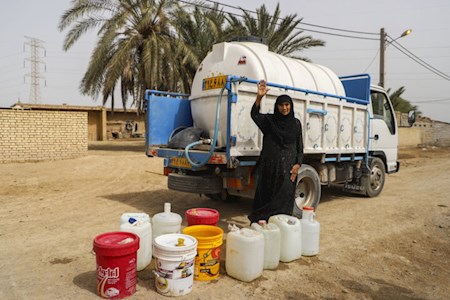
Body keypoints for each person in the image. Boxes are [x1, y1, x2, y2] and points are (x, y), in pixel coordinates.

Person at [248, 79, 304, 223]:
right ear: (276, 106)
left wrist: (298, 164)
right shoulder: (269, 121)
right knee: (265, 198)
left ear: (291, 106)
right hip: (269, 169)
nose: (284, 108)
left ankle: (279, 228)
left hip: (288, 171)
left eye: (287, 105)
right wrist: (259, 97)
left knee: (284, 200)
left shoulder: (296, 124)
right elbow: (254, 114)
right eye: (281, 105)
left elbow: (300, 147)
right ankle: (262, 227)